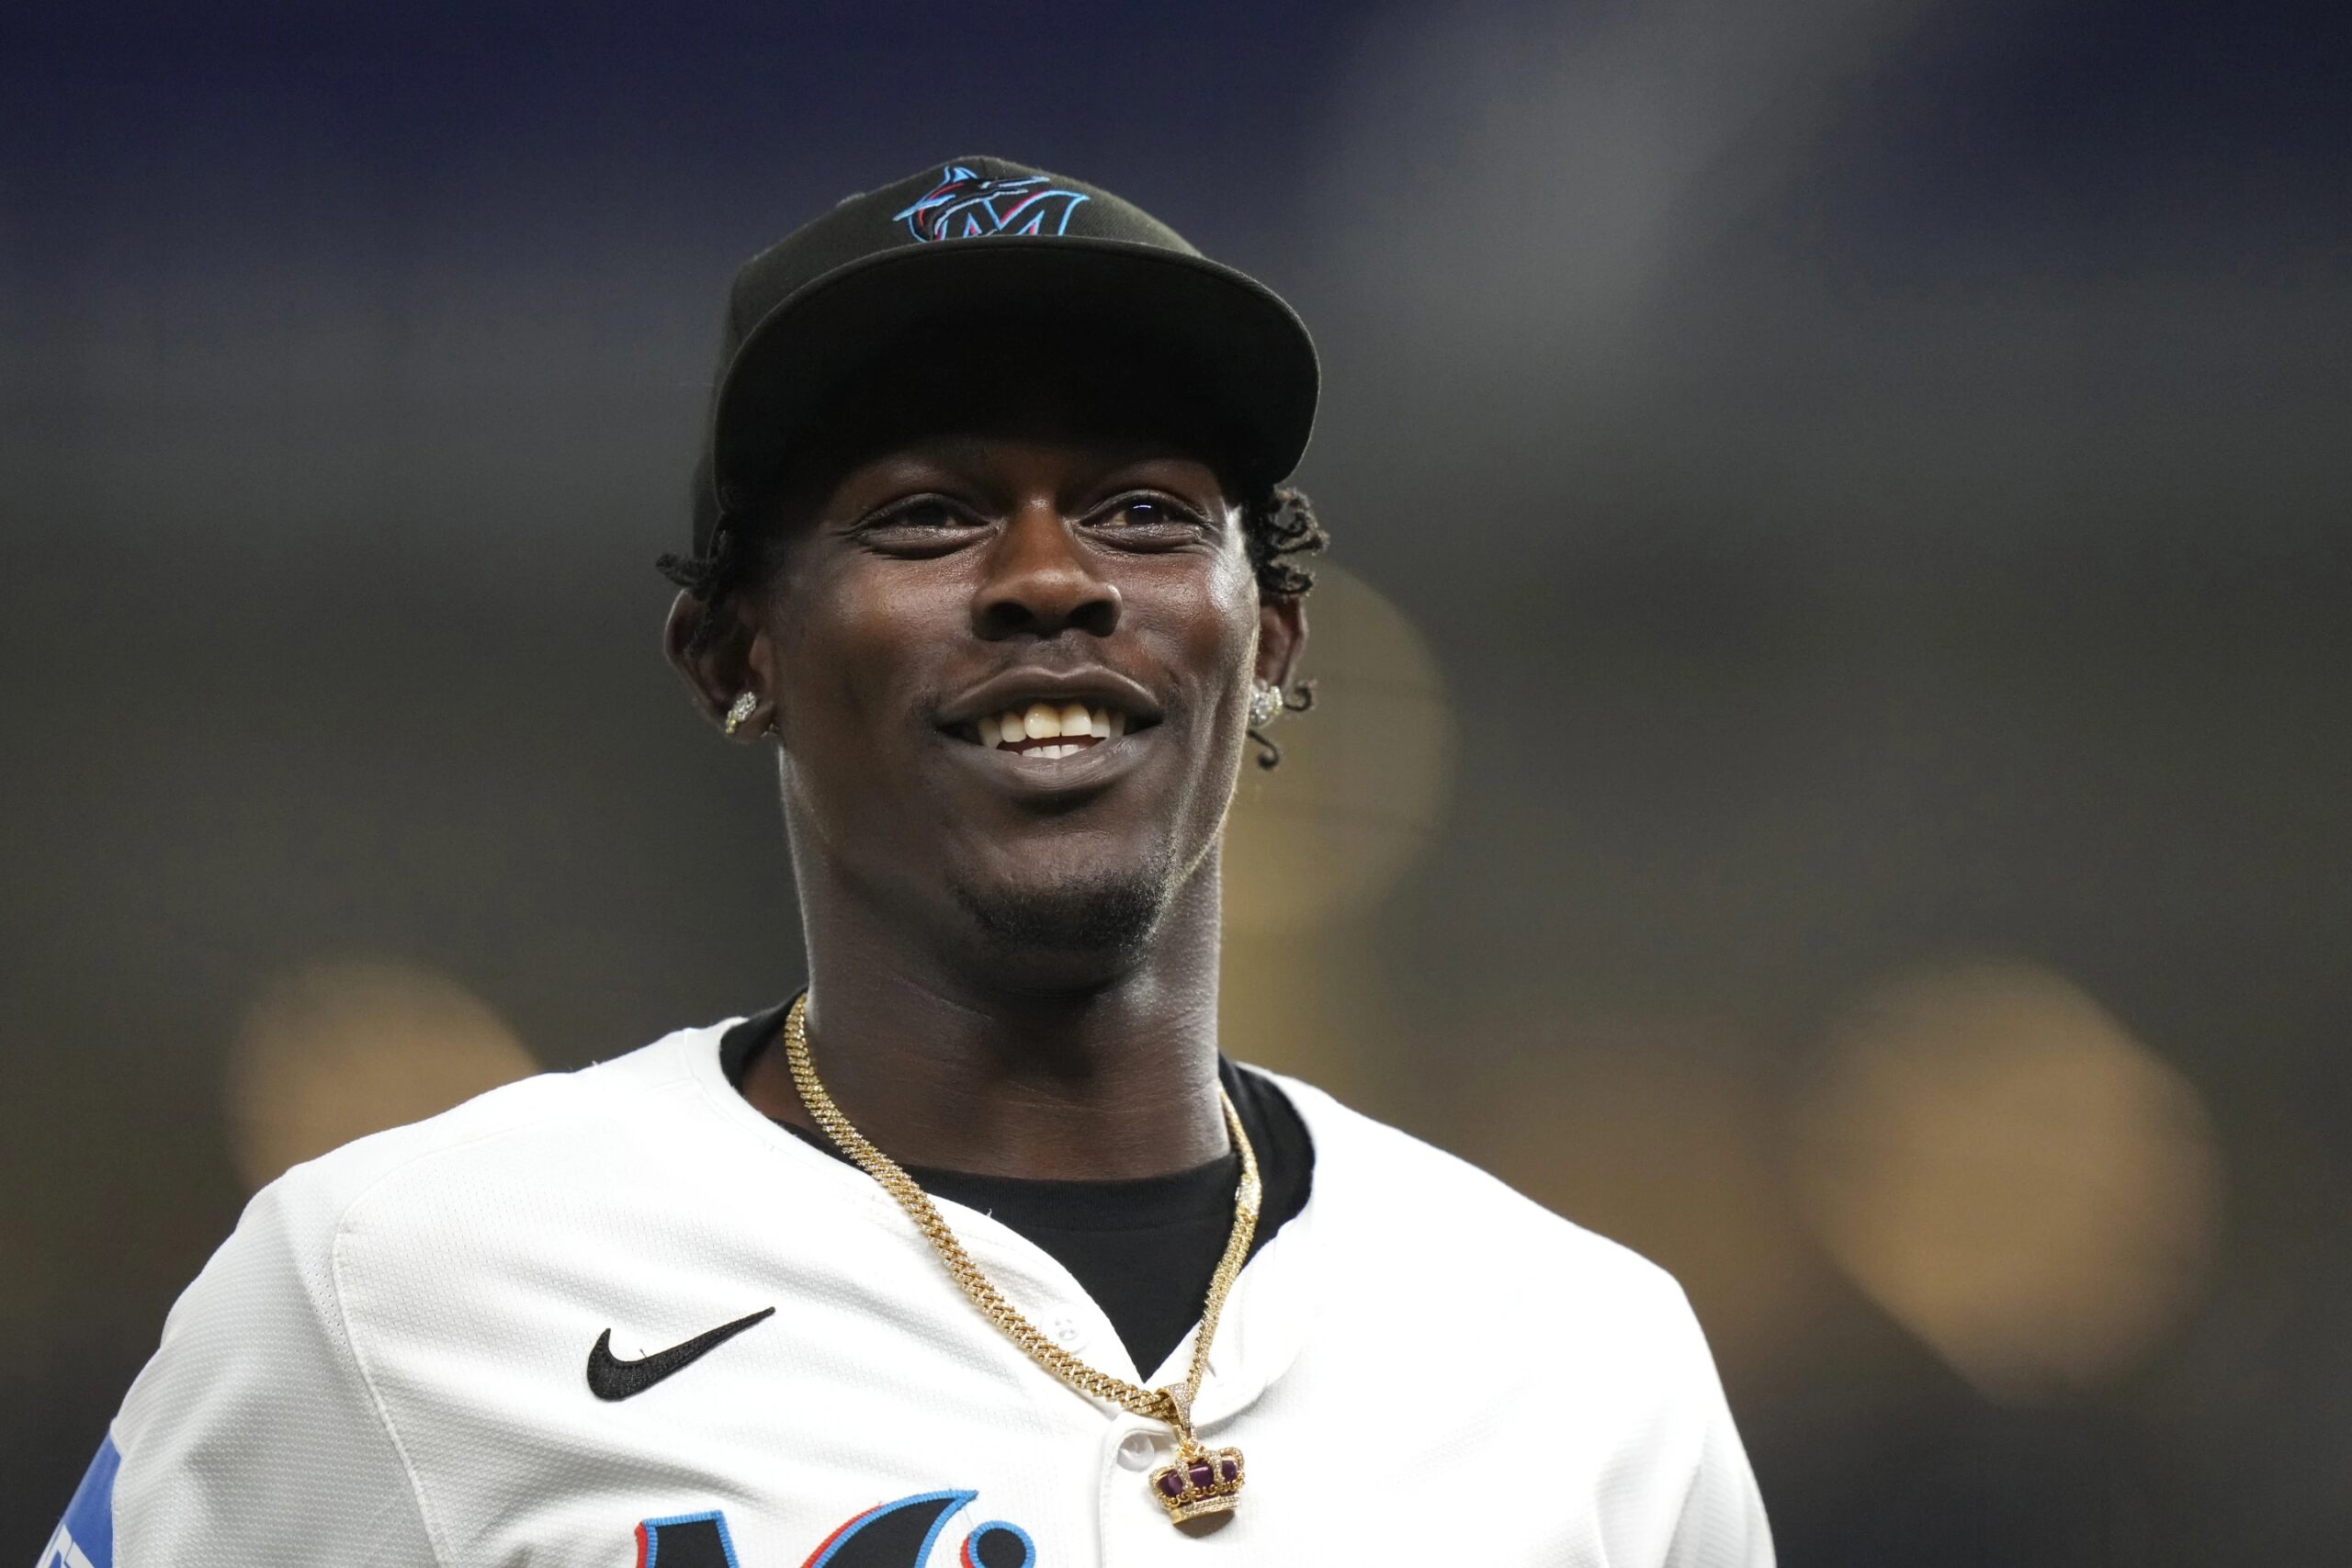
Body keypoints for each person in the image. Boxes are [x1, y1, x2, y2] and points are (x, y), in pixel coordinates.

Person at [41, 157, 1772, 1568]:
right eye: (927, 515)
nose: (1047, 575)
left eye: (1147, 512)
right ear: (737, 657)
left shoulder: (1582, 1351)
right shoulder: (402, 1287)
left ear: (1273, 644)